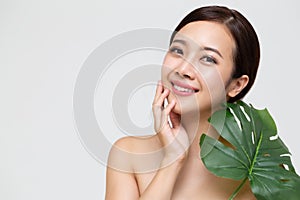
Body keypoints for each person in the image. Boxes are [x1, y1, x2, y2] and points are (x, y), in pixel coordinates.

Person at [105, 5, 260, 200]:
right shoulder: (129, 155)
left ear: (237, 85)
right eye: (178, 50)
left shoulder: (256, 174)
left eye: (208, 59)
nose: (183, 69)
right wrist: (172, 160)